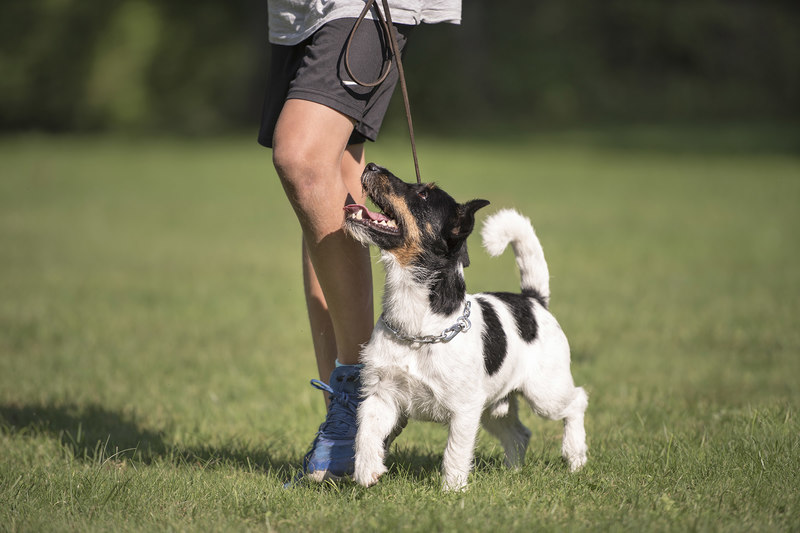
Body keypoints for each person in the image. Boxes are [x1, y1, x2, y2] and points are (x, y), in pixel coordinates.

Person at [258, 1, 462, 482]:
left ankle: (362, 398)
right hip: (297, 10)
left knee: (302, 159)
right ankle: (347, 419)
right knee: (335, 176)